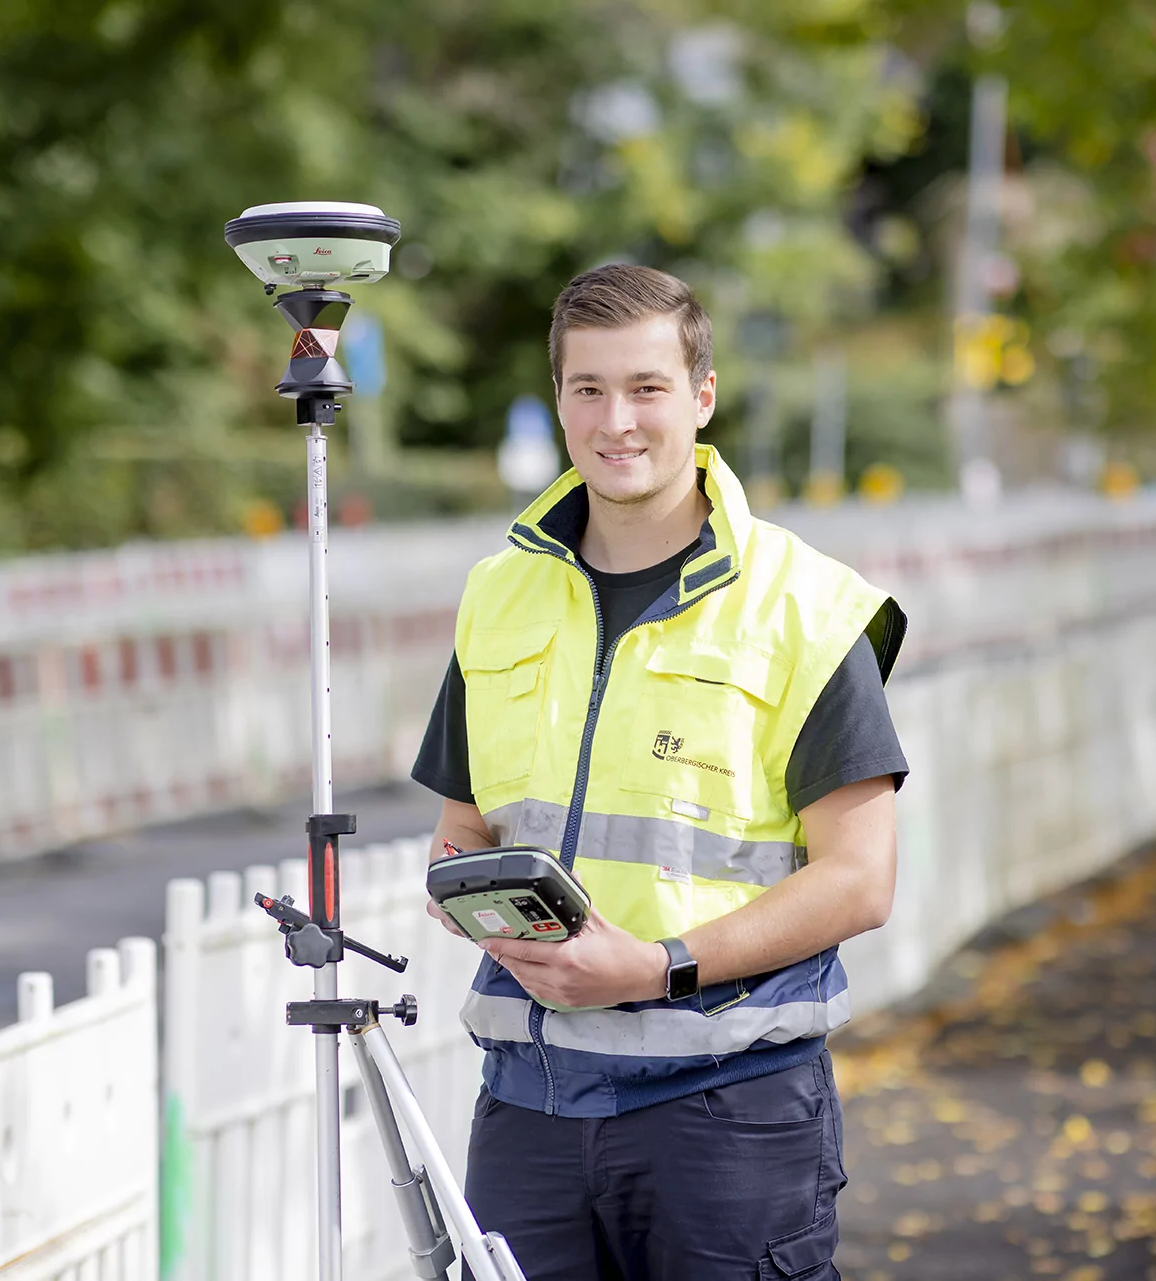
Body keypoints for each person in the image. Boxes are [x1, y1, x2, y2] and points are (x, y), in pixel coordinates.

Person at [412, 264, 908, 1281]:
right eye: (587, 389)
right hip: (529, 1109)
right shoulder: (496, 598)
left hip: (728, 1115)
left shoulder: (804, 609)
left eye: (646, 387)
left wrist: (654, 966)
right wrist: (477, 900)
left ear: (703, 396)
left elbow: (861, 880)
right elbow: (463, 834)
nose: (616, 420)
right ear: (558, 400)